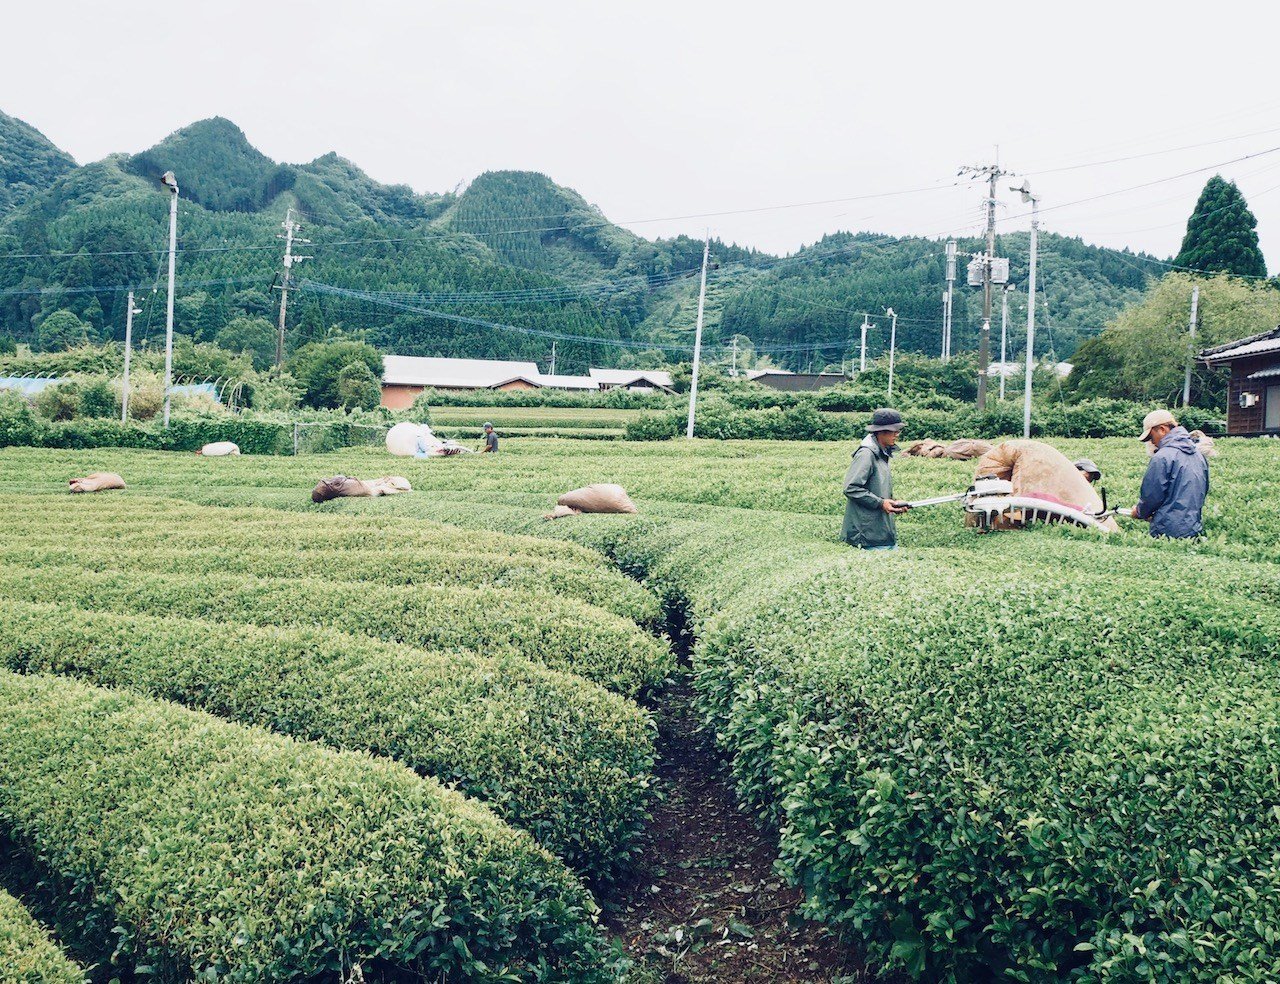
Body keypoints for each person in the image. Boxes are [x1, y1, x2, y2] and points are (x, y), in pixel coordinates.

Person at [1132, 409, 1209, 539]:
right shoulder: (1198, 455)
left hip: (1166, 530)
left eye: (1151, 437)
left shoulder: (1163, 456)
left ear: (1162, 429)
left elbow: (1152, 495)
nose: (1151, 442)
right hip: (1194, 529)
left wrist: (1140, 512)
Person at [841, 408, 911, 550]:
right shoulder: (867, 454)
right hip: (867, 536)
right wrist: (880, 503)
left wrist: (892, 504)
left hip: (881, 533)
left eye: (898, 430)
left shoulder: (881, 453)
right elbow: (851, 488)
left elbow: (877, 490)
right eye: (894, 431)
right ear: (881, 432)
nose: (897, 434)